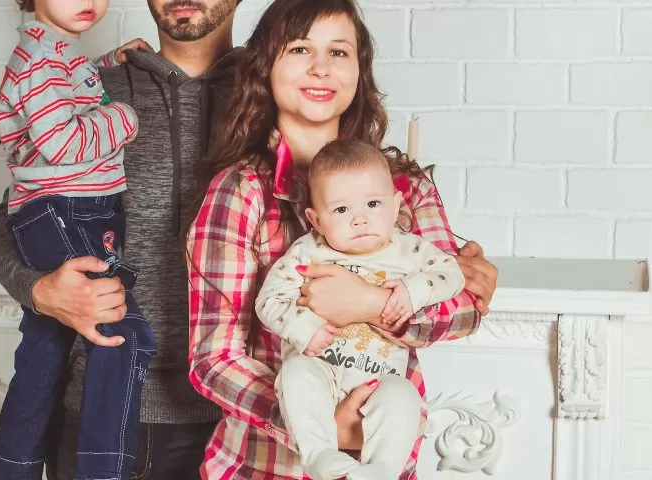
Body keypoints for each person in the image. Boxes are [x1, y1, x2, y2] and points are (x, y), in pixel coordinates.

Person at [184, 0, 500, 478]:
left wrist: (371, 304)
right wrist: (313, 423)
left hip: (384, 450)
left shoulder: (404, 187)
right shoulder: (241, 191)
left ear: (359, 69)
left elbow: (462, 310)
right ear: (267, 67)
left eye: (339, 52)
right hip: (265, 466)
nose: (321, 68)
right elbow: (214, 358)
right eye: (299, 49)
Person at [0, 0, 246, 477]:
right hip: (97, 416)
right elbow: (11, 217)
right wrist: (39, 291)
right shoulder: (91, 87)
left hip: (242, 416)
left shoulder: (277, 89)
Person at [0, 0, 156, 476]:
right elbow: (60, 142)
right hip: (64, 211)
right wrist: (123, 117)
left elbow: (68, 95)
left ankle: (12, 466)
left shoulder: (56, 54)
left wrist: (108, 65)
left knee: (44, 349)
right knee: (122, 333)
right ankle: (103, 469)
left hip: (65, 211)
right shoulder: (41, 61)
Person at [256, 138, 467, 480]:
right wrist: (304, 328)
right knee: (295, 376)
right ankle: (319, 454)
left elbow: (452, 274)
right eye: (341, 210)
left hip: (379, 379)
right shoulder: (307, 253)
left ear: (396, 205)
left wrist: (412, 291)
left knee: (404, 397)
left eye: (373, 203)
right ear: (317, 219)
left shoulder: (409, 250)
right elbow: (268, 300)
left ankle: (381, 469)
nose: (360, 219)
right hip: (321, 370)